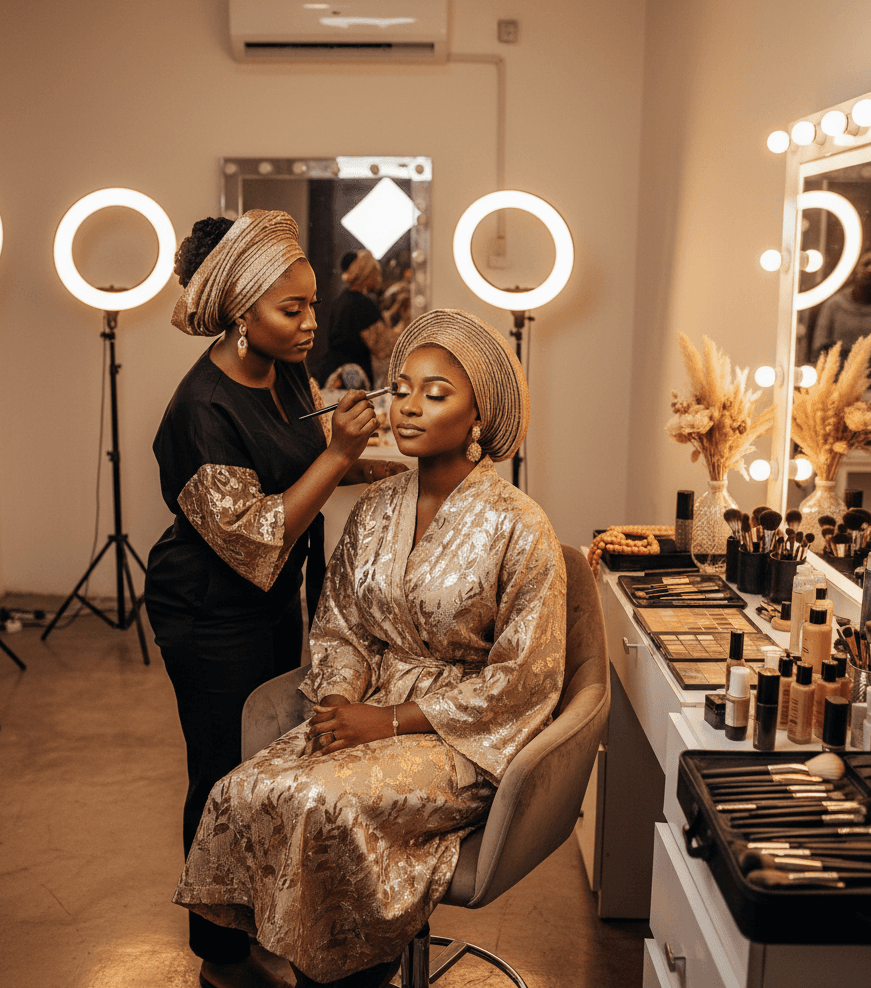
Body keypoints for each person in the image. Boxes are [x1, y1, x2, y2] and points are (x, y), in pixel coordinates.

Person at [173, 309, 567, 988]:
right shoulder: (376, 507)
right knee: (245, 787)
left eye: (435, 395)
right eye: (402, 389)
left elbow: (523, 680)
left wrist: (387, 722)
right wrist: (337, 704)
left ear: (479, 415)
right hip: (364, 706)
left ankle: (348, 975)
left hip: (459, 735)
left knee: (324, 804)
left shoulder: (520, 526)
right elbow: (342, 627)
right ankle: (295, 965)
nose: (408, 407)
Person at [144, 210, 405, 988]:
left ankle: (257, 923)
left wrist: (381, 464)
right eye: (293, 309)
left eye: (313, 304)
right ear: (239, 311)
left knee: (266, 766)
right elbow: (257, 538)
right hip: (207, 612)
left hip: (269, 600)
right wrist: (341, 454)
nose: (310, 323)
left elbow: (298, 465)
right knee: (221, 775)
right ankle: (221, 959)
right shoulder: (201, 411)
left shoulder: (284, 367)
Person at [316, 249, 409, 388]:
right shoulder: (362, 304)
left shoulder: (342, 299)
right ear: (367, 275)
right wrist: (406, 320)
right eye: (376, 273)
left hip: (334, 373)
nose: (379, 278)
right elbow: (384, 347)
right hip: (351, 379)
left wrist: (395, 310)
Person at [811, 249, 871, 387]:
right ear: (855, 267)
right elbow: (819, 346)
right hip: (836, 382)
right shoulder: (834, 304)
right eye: (866, 263)